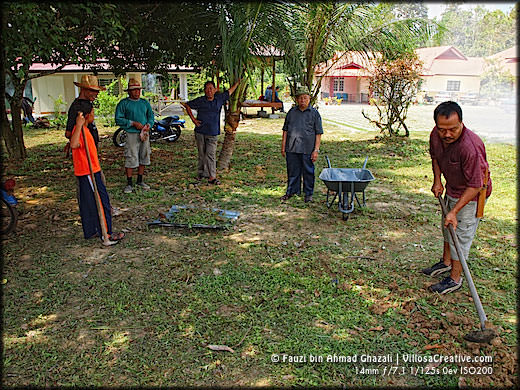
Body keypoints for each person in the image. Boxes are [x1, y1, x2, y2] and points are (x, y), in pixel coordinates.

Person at [422, 101, 492, 294]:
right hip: (452, 187)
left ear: (461, 122)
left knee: (459, 236)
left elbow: (476, 185)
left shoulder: (470, 147)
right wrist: (437, 180)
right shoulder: (436, 135)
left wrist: (454, 211)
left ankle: (455, 278)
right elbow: (435, 157)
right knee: (447, 229)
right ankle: (445, 263)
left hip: (472, 195)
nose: (447, 134)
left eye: (452, 129)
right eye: (442, 129)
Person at [70, 101, 124, 246]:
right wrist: (80, 124)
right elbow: (73, 144)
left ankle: (92, 230)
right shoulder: (80, 130)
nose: (94, 115)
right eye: (92, 113)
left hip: (92, 170)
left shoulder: (85, 130)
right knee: (101, 202)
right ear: (86, 116)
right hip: (89, 173)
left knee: (89, 203)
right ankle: (106, 234)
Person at [181, 80, 240, 185]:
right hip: (200, 131)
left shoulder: (219, 99)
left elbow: (229, 92)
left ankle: (212, 177)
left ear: (214, 90)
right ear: (204, 91)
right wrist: (193, 120)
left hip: (213, 132)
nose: (209, 91)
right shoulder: (200, 100)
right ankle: (201, 173)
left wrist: (237, 83)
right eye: (207, 89)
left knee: (210, 154)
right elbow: (187, 105)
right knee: (201, 153)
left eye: (211, 89)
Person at [280, 87, 323, 203]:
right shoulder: (292, 112)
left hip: (307, 148)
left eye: (305, 98)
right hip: (292, 147)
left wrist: (316, 150)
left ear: (309, 99)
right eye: (300, 98)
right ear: (296, 100)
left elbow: (318, 133)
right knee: (292, 171)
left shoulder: (314, 113)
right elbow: (285, 130)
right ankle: (292, 191)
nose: (302, 100)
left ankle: (308, 194)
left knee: (308, 171)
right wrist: (283, 147)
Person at [115, 78, 155, 193]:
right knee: (131, 156)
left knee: (144, 155)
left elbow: (151, 116)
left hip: (144, 133)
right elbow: (118, 119)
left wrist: (148, 125)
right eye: (134, 90)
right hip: (131, 133)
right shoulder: (124, 103)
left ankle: (140, 180)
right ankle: (129, 183)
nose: (137, 92)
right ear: (129, 91)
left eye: (138, 90)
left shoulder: (144, 103)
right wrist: (132, 123)